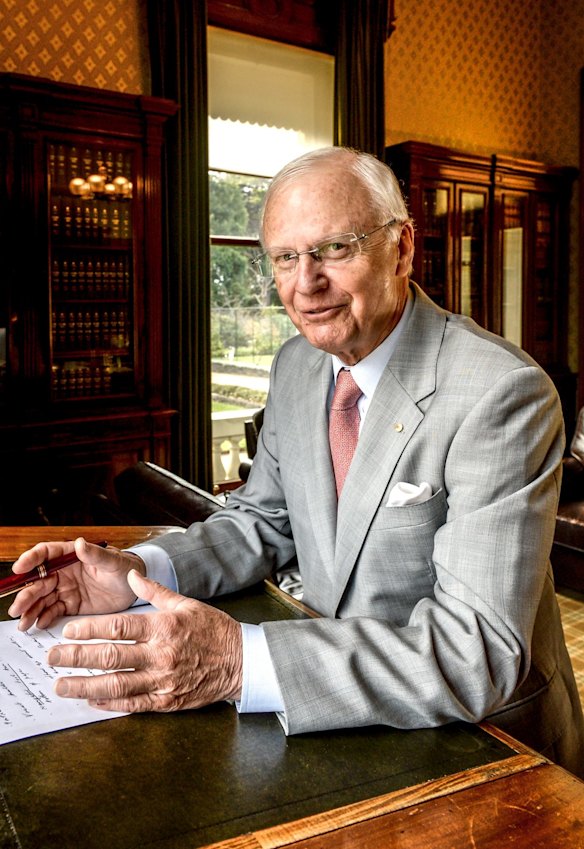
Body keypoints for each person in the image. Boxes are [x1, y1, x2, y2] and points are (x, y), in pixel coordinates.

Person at [9, 147, 584, 776]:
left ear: (402, 247)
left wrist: (238, 660)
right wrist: (138, 570)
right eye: (285, 257)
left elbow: (479, 654)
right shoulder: (298, 364)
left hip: (490, 751)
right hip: (344, 731)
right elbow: (262, 519)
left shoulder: (500, 392)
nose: (305, 283)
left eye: (335, 248)